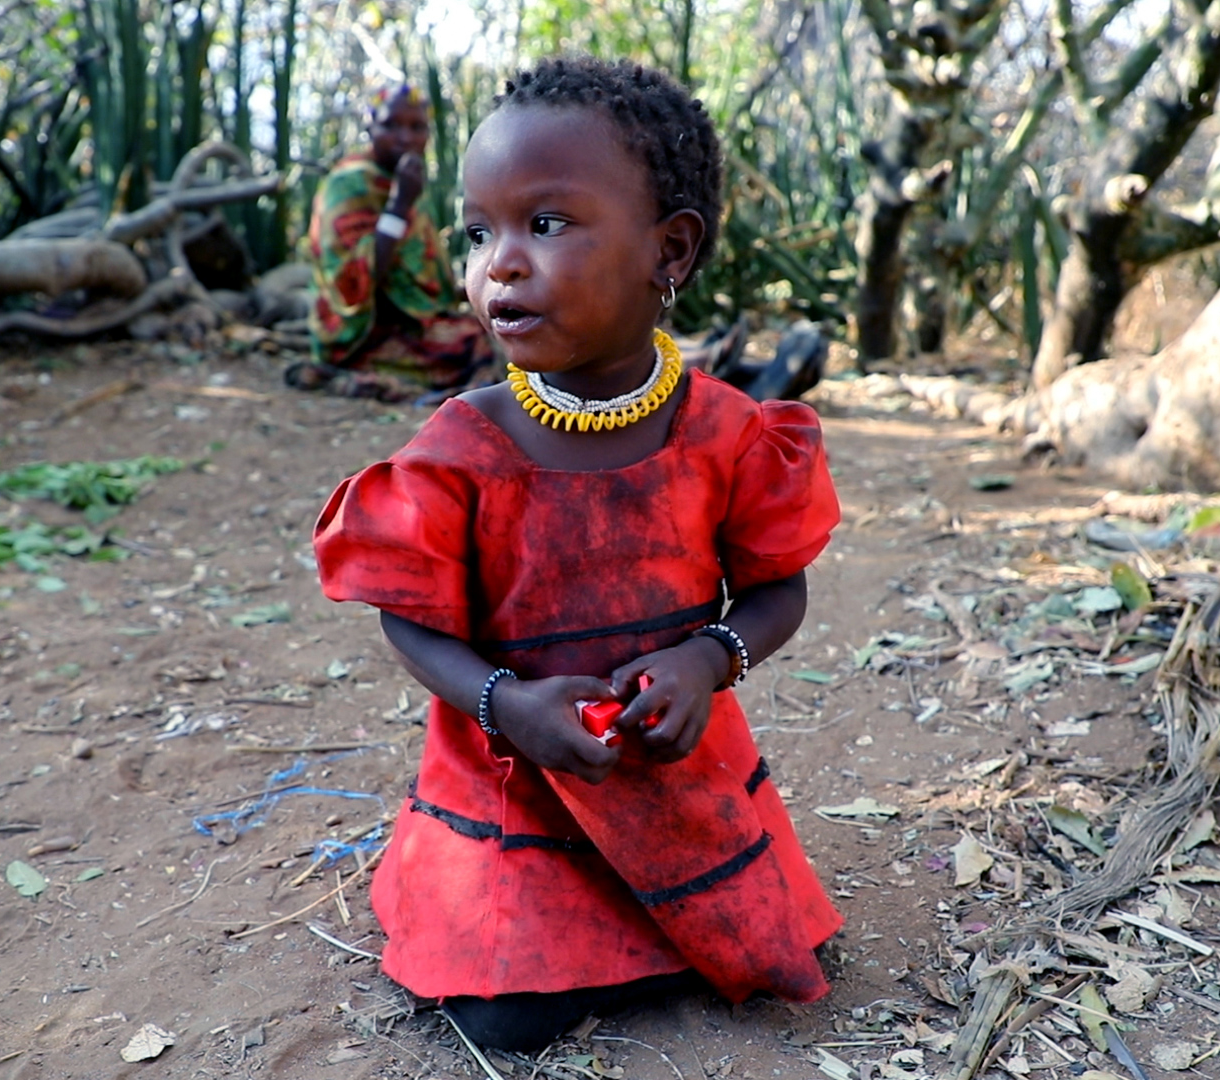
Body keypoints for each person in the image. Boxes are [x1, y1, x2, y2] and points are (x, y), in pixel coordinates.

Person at [312, 57, 842, 1052]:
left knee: (763, 961)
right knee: (505, 1015)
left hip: (666, 765)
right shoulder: (461, 448)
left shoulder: (728, 432)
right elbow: (408, 618)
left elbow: (778, 590)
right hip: (515, 775)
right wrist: (505, 705)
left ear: (669, 251)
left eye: (544, 225)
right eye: (479, 233)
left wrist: (703, 662)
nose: (498, 264)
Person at [296, 83, 494, 402]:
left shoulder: (403, 178)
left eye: (417, 127)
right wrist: (399, 205)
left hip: (406, 322)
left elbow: (421, 266)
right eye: (391, 125)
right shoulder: (349, 184)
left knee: (486, 332)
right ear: (370, 127)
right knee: (467, 346)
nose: (406, 137)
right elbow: (352, 282)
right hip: (359, 333)